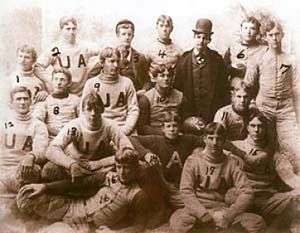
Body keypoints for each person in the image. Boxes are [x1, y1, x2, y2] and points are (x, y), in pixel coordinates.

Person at [17, 148, 150, 233]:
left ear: (135, 169)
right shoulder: (108, 176)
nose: (122, 172)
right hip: (72, 207)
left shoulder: (138, 194)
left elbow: (139, 226)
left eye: (127, 168)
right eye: (119, 166)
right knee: (27, 196)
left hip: (87, 228)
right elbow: (76, 184)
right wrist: (45, 187)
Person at [170, 123, 265, 233]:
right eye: (211, 138)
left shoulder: (231, 162)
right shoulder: (193, 160)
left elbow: (247, 192)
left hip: (222, 210)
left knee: (257, 222)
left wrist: (229, 215)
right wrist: (203, 214)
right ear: (204, 139)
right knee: (178, 223)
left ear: (224, 141)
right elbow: (186, 191)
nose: (214, 143)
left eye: (219, 139)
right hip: (197, 209)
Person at [43, 92, 134, 190]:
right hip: (76, 165)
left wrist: (101, 163)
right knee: (49, 170)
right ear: (82, 110)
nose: (93, 113)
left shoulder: (109, 126)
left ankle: (86, 186)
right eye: (89, 109)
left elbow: (128, 150)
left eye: (97, 109)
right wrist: (71, 164)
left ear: (102, 109)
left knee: (133, 166)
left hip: (100, 167)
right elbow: (51, 150)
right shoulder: (75, 126)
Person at [229, 111, 300, 232]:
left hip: (267, 200)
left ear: (266, 129)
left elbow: (291, 178)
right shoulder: (235, 147)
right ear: (247, 127)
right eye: (253, 125)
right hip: (241, 200)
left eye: (260, 126)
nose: (256, 130)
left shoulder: (274, 155)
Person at [244, 20, 300, 171]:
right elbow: (248, 84)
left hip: (286, 109)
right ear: (265, 37)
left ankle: (293, 180)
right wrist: (252, 104)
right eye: (270, 35)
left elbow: (297, 88)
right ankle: (266, 177)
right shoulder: (257, 58)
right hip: (264, 107)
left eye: (277, 34)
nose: (274, 38)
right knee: (263, 142)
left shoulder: (292, 60)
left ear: (282, 35)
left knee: (292, 145)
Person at [174, 18, 230, 123]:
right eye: (198, 37)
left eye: (205, 38)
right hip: (189, 114)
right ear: (193, 38)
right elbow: (177, 90)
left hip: (212, 113)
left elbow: (224, 89)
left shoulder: (217, 60)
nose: (201, 41)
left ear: (209, 40)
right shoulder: (183, 60)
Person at [0, 86, 48, 199]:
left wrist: (32, 155)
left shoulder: (38, 125)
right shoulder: (3, 122)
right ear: (11, 103)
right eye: (18, 99)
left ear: (31, 101)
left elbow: (41, 149)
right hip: (2, 167)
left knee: (32, 171)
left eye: (25, 99)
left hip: (22, 169)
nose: (22, 102)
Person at [34, 16, 99, 96]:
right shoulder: (56, 50)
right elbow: (37, 67)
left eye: (74, 29)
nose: (71, 32)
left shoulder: (84, 48)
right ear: (61, 30)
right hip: (62, 93)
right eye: (68, 29)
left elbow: (102, 53)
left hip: (81, 93)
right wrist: (51, 80)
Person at [81, 47, 139, 136]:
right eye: (111, 61)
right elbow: (83, 111)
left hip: (123, 129)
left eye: (117, 61)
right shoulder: (91, 84)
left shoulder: (127, 83)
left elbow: (133, 110)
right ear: (102, 63)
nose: (116, 65)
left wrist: (124, 131)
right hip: (100, 131)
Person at [137, 63, 190, 135]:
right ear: (155, 78)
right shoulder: (146, 99)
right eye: (162, 76)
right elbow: (142, 128)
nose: (166, 79)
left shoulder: (180, 96)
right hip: (155, 136)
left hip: (176, 134)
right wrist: (163, 132)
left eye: (169, 76)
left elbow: (185, 121)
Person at [34, 68, 79, 140]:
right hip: (51, 138)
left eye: (62, 80)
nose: (58, 83)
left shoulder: (75, 100)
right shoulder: (46, 100)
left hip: (71, 138)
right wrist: (56, 132)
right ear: (52, 81)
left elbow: (82, 120)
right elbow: (38, 121)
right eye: (56, 79)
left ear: (69, 83)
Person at [224, 16, 264, 88]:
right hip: (235, 89)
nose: (248, 32)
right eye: (245, 28)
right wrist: (233, 68)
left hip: (255, 89)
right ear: (241, 30)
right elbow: (224, 68)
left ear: (257, 31)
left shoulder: (262, 50)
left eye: (252, 28)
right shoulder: (233, 47)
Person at [115, 19, 149, 92]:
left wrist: (144, 90)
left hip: (136, 95)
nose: (127, 37)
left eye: (129, 34)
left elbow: (148, 80)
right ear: (118, 36)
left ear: (133, 36)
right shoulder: (111, 56)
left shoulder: (140, 57)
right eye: (123, 34)